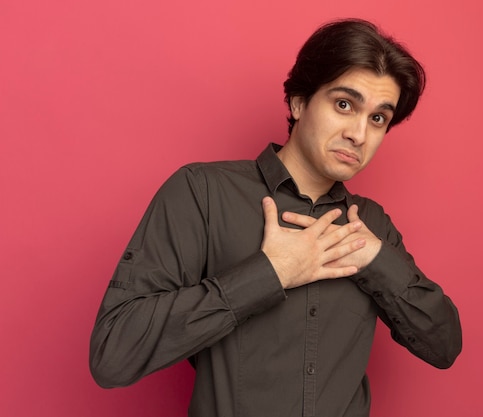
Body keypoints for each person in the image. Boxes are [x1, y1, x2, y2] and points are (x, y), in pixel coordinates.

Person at [90, 18, 462, 417]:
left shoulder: (371, 225)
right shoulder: (202, 193)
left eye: (377, 119)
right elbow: (113, 354)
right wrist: (271, 273)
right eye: (344, 104)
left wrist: (376, 259)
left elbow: (443, 347)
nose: (359, 133)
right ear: (299, 102)